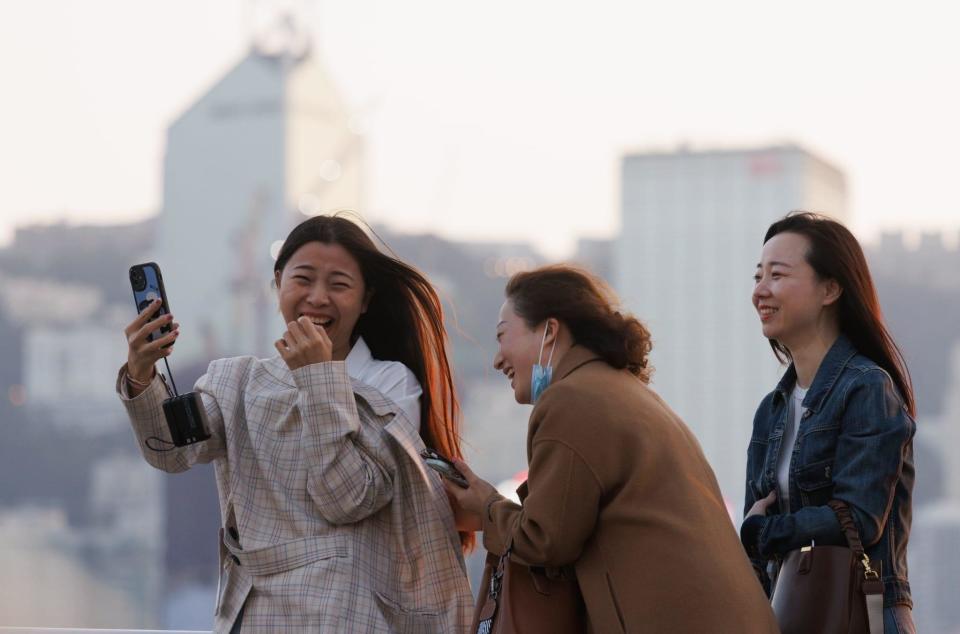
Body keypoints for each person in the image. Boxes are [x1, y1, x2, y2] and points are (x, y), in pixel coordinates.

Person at [118, 215, 473, 633]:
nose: (317, 297)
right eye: (303, 279)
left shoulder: (390, 382)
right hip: (258, 613)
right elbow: (174, 451)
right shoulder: (238, 380)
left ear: (365, 300)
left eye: (339, 285)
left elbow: (348, 496)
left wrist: (317, 376)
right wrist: (141, 373)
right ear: (277, 284)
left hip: (348, 613)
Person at [444, 265, 779, 633]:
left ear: (549, 331)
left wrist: (486, 510)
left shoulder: (570, 400)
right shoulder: (621, 391)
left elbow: (547, 540)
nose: (496, 359)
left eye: (502, 336)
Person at [741, 212, 917, 633]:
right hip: (792, 616)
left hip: (864, 617)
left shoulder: (867, 389)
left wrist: (764, 531)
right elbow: (752, 550)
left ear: (831, 288)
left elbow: (858, 518)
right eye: (757, 276)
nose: (760, 291)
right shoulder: (772, 410)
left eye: (777, 275)